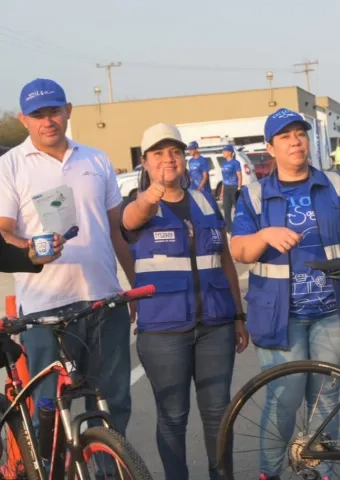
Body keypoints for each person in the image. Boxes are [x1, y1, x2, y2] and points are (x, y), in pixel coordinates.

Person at [230, 108, 340, 480]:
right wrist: (264, 236)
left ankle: (323, 472)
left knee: (326, 397)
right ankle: (270, 473)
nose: (295, 141)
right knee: (286, 397)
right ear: (270, 147)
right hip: (280, 315)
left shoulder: (339, 186)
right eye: (285, 136)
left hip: (335, 311)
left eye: (300, 133)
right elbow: (239, 251)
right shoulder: (253, 195)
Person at [0, 78, 136, 473]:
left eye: (54, 111)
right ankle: (51, 470)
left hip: (102, 300)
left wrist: (130, 287)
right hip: (45, 310)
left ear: (68, 111)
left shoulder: (96, 159)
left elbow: (116, 231)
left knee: (112, 403)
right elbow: (3, 229)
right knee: (49, 409)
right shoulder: (10, 166)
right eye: (38, 115)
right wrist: (29, 249)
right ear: (24, 119)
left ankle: (112, 472)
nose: (48, 121)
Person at [120, 123, 249, 480]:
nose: (168, 159)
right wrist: (156, 190)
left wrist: (238, 315)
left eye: (174, 152)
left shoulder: (205, 200)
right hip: (164, 330)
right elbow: (131, 220)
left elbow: (224, 260)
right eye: (158, 153)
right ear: (144, 162)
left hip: (215, 326)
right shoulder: (140, 205)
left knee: (219, 414)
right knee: (173, 417)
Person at [219, 144, 242, 232]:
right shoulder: (224, 164)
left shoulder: (235, 163)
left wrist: (239, 188)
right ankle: (229, 229)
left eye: (224, 151)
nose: (223, 153)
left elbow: (239, 176)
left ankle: (240, 226)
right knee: (226, 210)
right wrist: (221, 192)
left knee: (238, 209)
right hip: (226, 189)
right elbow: (224, 179)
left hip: (234, 188)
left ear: (230, 152)